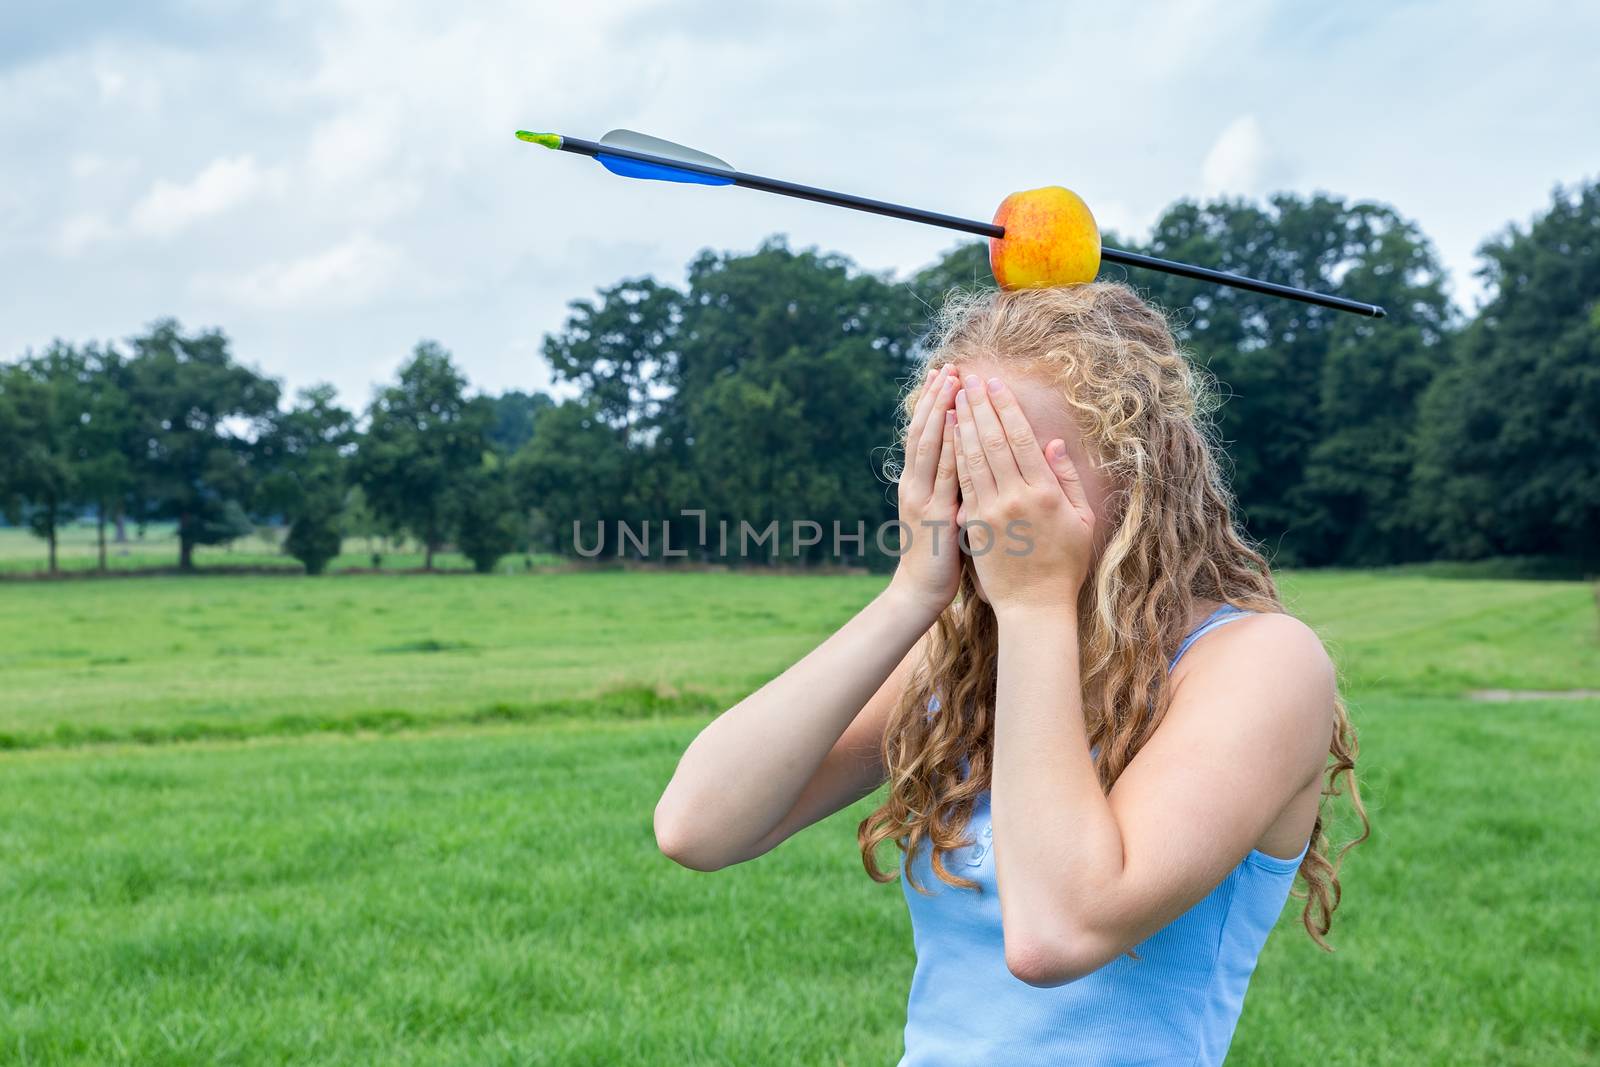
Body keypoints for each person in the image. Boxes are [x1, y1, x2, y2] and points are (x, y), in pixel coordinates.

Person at [653, 282, 1368, 1065]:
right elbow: (700, 825)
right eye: (963, 463)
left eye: (1013, 464)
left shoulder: (1262, 664)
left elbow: (1058, 932)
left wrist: (1034, 608)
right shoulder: (969, 655)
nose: (982, 505)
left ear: (1141, 470)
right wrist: (911, 595)